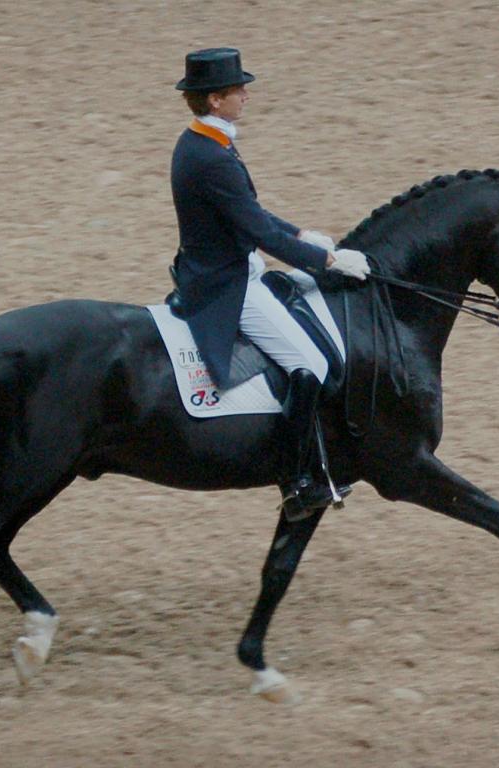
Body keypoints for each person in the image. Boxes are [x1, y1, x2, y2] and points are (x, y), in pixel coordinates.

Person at [170, 47, 371, 515]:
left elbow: (247, 211)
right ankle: (296, 478)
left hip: (217, 267)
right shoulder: (212, 156)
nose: (245, 95)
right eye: (238, 89)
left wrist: (300, 232)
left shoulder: (202, 140)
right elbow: (257, 233)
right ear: (216, 99)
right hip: (228, 285)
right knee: (313, 366)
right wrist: (328, 260)